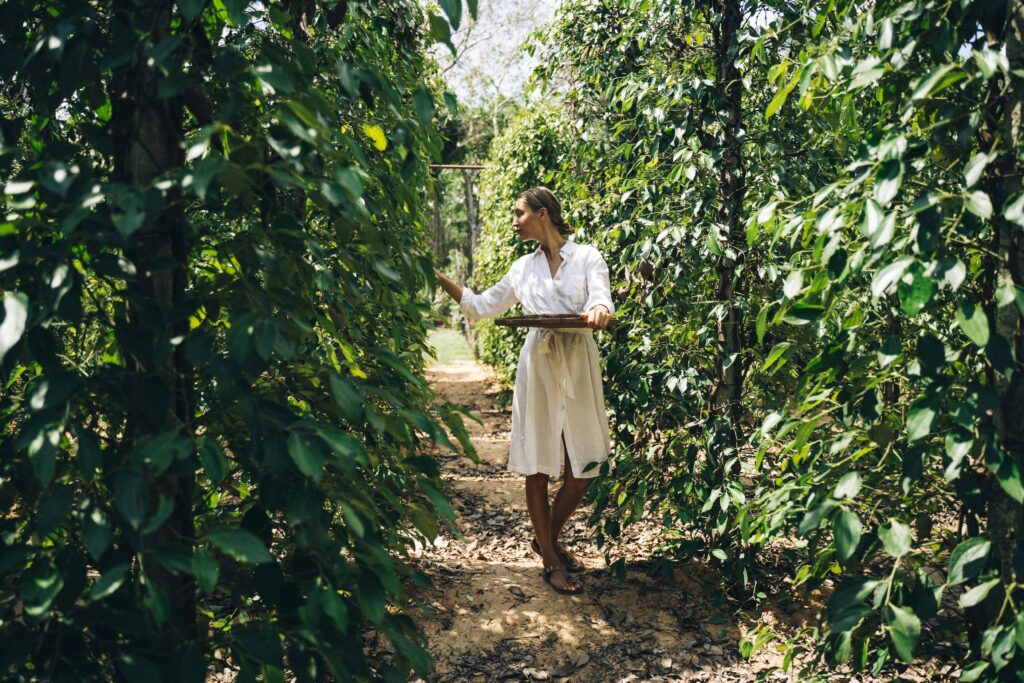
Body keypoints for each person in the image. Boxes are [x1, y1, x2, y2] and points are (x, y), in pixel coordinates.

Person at [435, 186, 614, 595]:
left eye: (520, 213)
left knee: (580, 469)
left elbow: (601, 298)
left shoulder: (587, 257)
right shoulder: (522, 268)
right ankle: (551, 560)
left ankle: (545, 538)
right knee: (537, 465)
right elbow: (482, 306)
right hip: (538, 366)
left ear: (543, 214)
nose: (515, 222)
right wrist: (439, 278)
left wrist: (601, 309)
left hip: (578, 362)